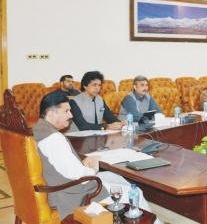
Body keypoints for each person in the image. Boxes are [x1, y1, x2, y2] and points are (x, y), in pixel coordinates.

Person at [32, 91, 155, 220]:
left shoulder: (37, 129)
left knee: (115, 177)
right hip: (72, 194)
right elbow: (76, 175)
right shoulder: (53, 138)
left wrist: (82, 165)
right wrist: (92, 168)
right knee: (135, 193)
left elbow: (59, 165)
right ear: (52, 113)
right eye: (66, 111)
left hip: (58, 183)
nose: (71, 115)